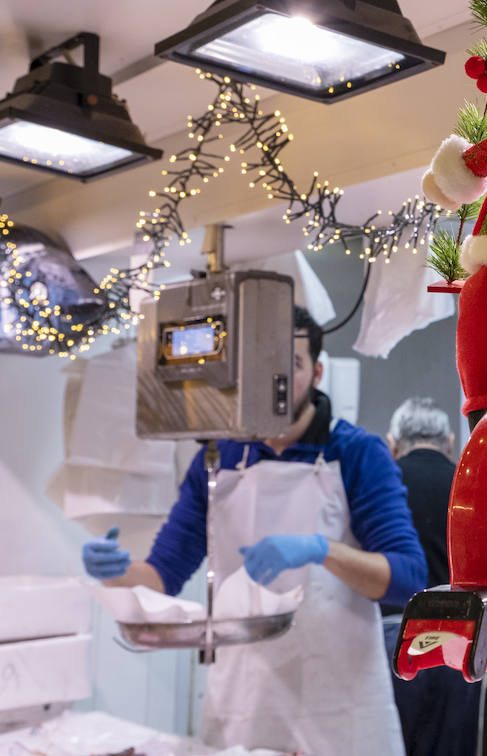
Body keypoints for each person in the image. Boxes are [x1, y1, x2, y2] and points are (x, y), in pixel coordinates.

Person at [81, 306, 426, 756]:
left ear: (317, 371)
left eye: (292, 367)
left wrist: (322, 549)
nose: (276, 385)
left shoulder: (357, 453)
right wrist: (115, 573)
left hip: (340, 708)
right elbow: (163, 574)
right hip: (245, 703)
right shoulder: (215, 459)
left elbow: (408, 578)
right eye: (264, 368)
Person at [382, 397, 482, 756]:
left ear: (393, 444)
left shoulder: (383, 486)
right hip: (458, 648)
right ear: (450, 443)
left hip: (392, 645)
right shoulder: (472, 486)